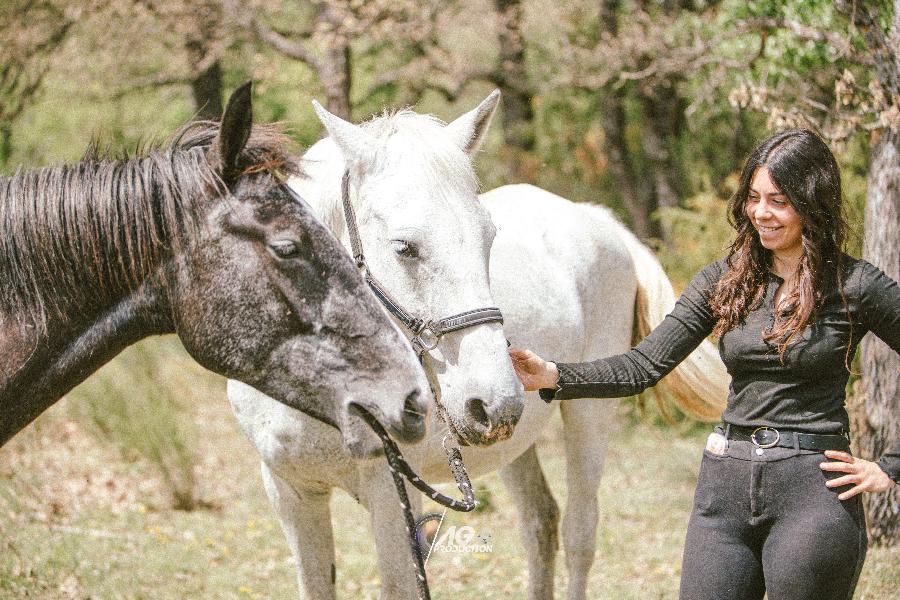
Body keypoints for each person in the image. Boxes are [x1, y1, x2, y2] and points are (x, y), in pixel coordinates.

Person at [509, 129, 899, 600]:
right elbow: (644, 365)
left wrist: (890, 466)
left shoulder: (855, 284)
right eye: (753, 198)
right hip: (725, 489)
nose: (761, 213)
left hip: (812, 494)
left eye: (778, 201)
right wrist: (554, 375)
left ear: (812, 202)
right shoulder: (726, 280)